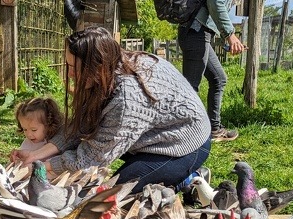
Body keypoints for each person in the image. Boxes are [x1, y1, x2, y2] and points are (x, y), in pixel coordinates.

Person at [11, 26, 211, 193]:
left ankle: (187, 176)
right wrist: (35, 156)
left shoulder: (127, 98)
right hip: (150, 136)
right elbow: (80, 128)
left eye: (76, 68)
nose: (70, 74)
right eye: (68, 65)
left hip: (183, 145)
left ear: (96, 66)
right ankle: (181, 177)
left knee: (112, 194)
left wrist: (40, 168)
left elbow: (92, 157)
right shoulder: (106, 72)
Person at [178, 0, 244, 142]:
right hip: (195, 31)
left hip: (200, 32)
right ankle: (185, 137)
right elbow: (215, 2)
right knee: (191, 88)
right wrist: (230, 34)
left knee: (219, 79)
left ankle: (214, 129)